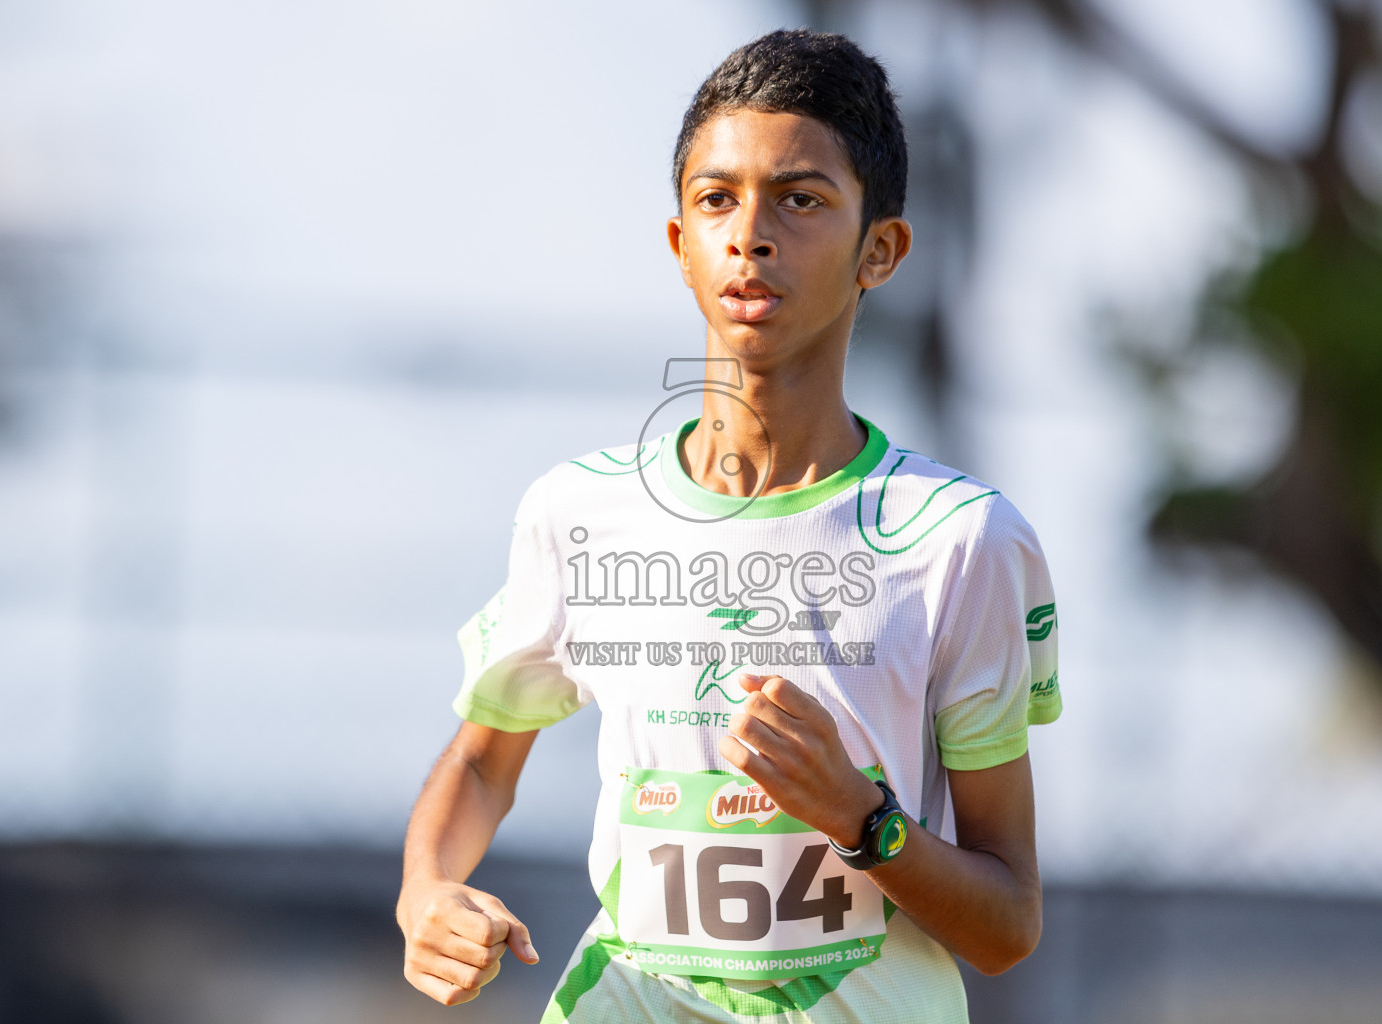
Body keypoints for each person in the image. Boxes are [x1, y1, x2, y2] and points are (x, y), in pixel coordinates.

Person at [396, 28, 1061, 1024]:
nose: (751, 234)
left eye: (800, 199)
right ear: (680, 244)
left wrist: (862, 819)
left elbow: (1006, 925)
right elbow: (485, 762)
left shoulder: (960, 542)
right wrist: (425, 894)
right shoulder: (580, 514)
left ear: (880, 249)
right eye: (717, 198)